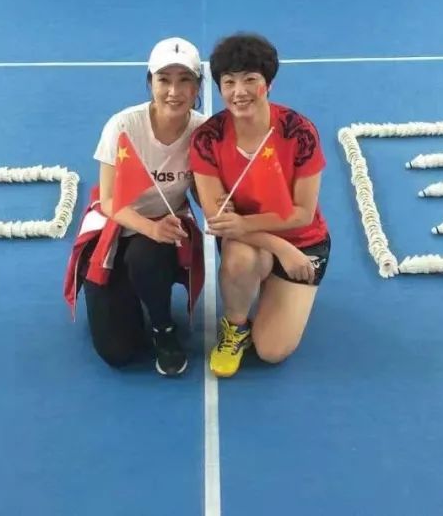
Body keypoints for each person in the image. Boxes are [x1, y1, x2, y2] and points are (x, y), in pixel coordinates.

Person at [189, 34, 331, 378]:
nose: (239, 91)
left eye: (250, 79)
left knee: (271, 351)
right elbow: (218, 220)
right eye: (229, 82)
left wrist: (278, 242)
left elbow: (302, 213)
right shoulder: (207, 139)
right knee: (240, 258)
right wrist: (279, 247)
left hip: (304, 241)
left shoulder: (299, 132)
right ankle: (236, 327)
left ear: (268, 83)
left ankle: (274, 288)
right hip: (253, 242)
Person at [63, 37, 207, 377]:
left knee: (146, 256)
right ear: (150, 82)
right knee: (118, 353)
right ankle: (122, 289)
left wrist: (221, 212)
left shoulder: (203, 131)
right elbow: (109, 201)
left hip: (164, 227)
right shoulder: (123, 126)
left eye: (185, 80)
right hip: (117, 222)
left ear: (198, 86)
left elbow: (203, 192)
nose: (174, 91)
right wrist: (149, 227)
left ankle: (162, 327)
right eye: (164, 80)